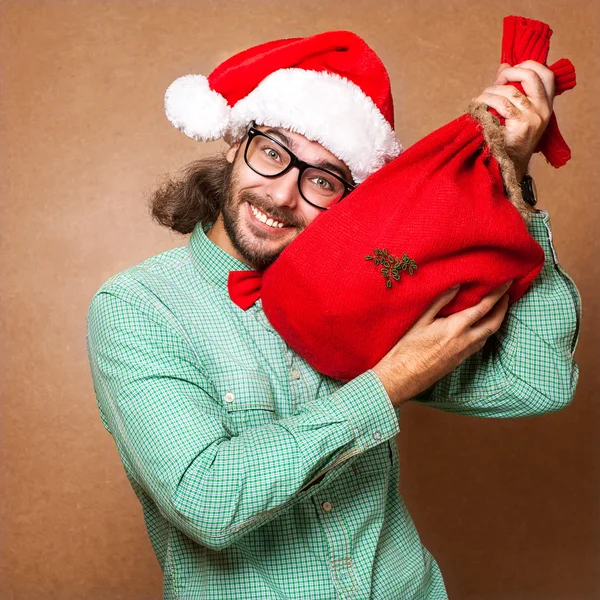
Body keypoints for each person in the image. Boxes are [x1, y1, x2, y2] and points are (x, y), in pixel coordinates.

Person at [86, 31, 581, 600]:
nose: (283, 196)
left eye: (322, 180)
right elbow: (207, 500)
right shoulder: (138, 307)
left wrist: (508, 171)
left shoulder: (379, 298)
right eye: (271, 153)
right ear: (232, 143)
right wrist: (388, 383)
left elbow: (536, 382)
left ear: (349, 200)